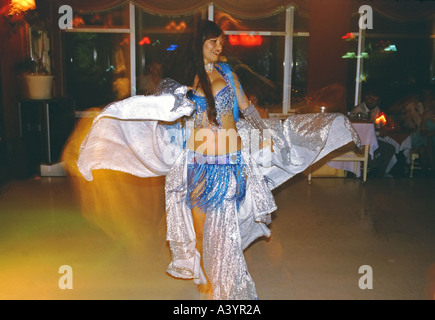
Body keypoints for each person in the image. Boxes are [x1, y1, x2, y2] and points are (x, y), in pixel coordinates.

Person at [75, 20, 360, 300]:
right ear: (199, 44)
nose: (219, 45)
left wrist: (264, 132)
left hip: (229, 162)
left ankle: (223, 283)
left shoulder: (227, 73)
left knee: (223, 230)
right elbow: (175, 116)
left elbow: (246, 108)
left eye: (220, 40)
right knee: (200, 229)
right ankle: (206, 274)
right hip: (197, 164)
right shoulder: (188, 81)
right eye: (213, 41)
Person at [352, 92, 396, 177]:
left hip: (371, 140)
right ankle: (373, 169)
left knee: (390, 149)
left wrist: (383, 127)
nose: (372, 102)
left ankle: (379, 171)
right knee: (367, 150)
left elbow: (376, 125)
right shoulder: (358, 111)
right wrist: (378, 133)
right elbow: (361, 132)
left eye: (375, 100)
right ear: (366, 97)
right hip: (360, 141)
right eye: (371, 99)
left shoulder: (376, 109)